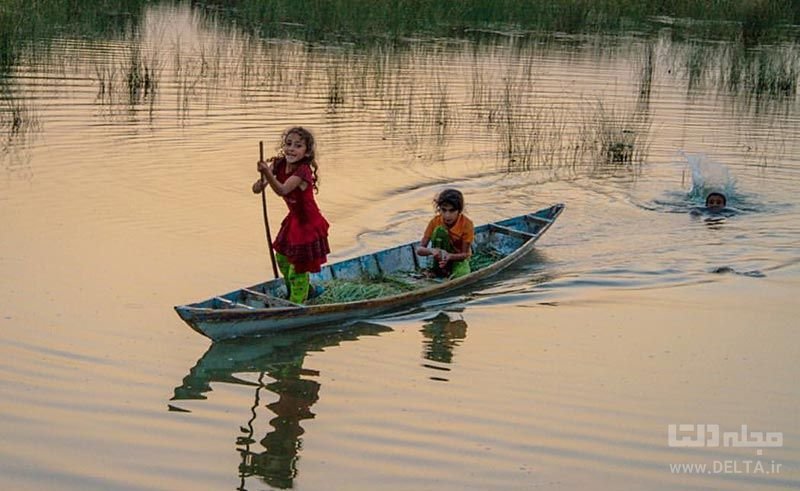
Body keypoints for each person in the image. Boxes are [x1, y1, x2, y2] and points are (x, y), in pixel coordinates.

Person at [252, 127, 330, 304]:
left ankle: (297, 302)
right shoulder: (278, 164)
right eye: (288, 144)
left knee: (298, 267)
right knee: (282, 258)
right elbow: (256, 189)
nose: (291, 149)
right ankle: (304, 292)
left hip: (308, 223)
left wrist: (267, 173)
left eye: (298, 146)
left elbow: (282, 190)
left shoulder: (303, 171)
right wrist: (263, 177)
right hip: (294, 220)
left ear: (307, 151)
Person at [415, 188, 474, 279]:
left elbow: (465, 254)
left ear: (459, 210)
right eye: (444, 210)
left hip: (457, 259)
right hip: (438, 258)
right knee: (440, 230)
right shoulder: (435, 222)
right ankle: (438, 269)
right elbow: (419, 250)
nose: (447, 215)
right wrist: (432, 251)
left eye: (452, 211)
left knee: (461, 275)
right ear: (439, 209)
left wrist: (449, 256)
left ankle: (445, 271)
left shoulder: (467, 224)